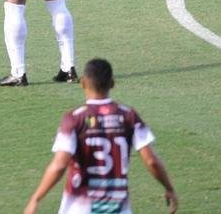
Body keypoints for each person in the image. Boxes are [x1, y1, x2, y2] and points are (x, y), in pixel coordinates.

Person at [23, 57, 179, 214]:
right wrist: (169, 187)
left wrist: (36, 198)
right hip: (118, 208)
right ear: (112, 83)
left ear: (83, 83)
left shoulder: (74, 118)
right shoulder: (128, 116)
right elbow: (151, 160)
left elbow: (59, 165)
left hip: (79, 207)